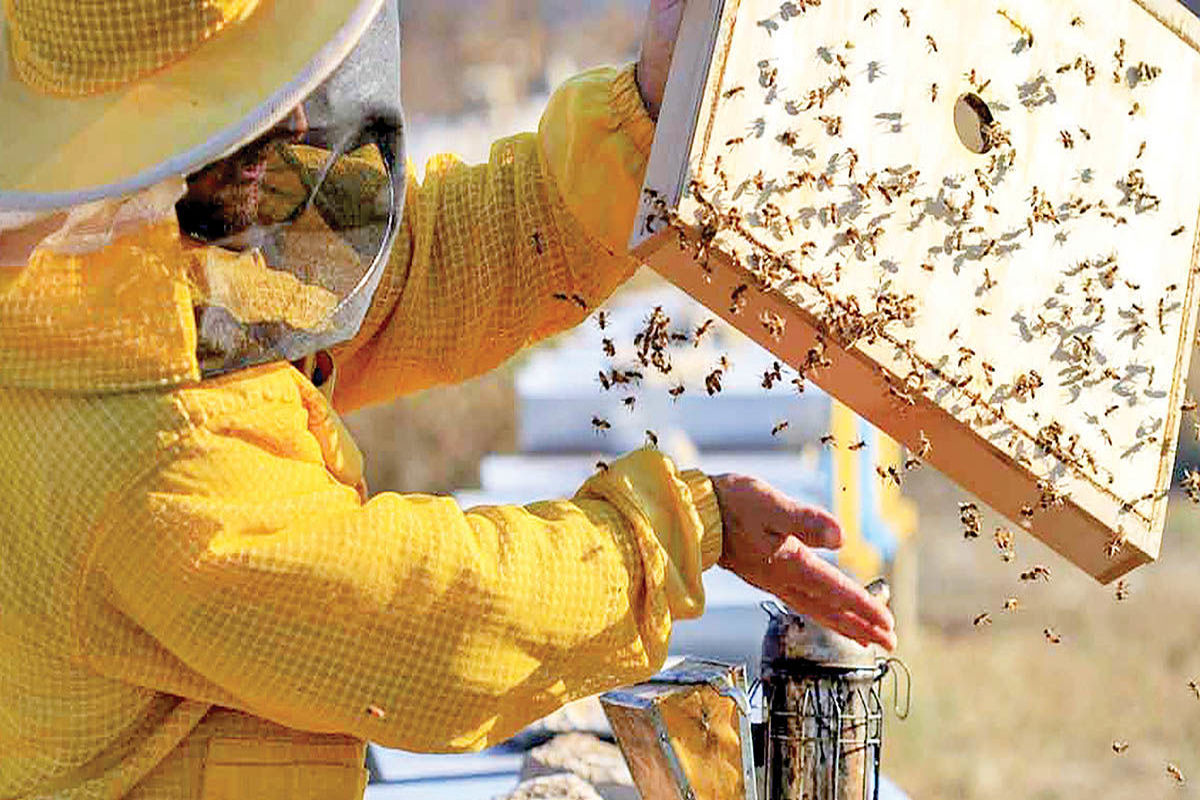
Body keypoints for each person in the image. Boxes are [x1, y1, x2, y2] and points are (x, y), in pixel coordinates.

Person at [0, 0, 896, 796]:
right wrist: (670, 535)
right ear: (146, 131)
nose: (306, 114)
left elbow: (404, 277)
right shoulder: (140, 453)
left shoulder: (122, 262)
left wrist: (648, 120)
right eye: (254, 98)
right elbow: (425, 627)